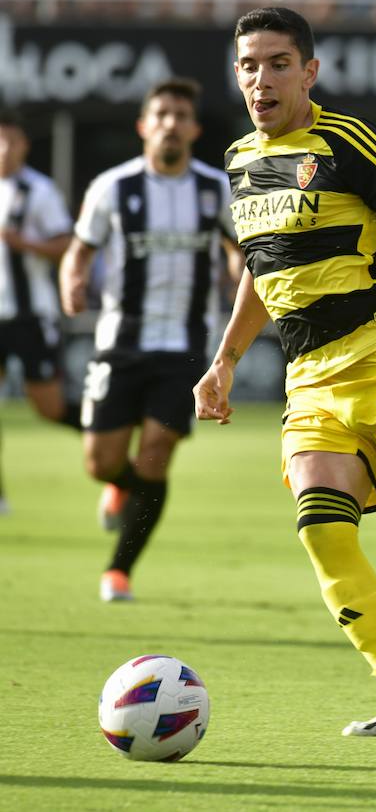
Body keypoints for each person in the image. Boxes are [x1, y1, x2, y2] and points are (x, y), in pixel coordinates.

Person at [191, 6, 376, 740]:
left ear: (310, 71)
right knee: (321, 528)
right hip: (312, 381)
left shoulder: (345, 140)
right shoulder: (237, 161)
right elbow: (263, 274)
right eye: (250, 64)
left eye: (279, 63)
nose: (262, 79)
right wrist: (224, 361)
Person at [58, 77, 240, 600]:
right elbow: (81, 247)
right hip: (121, 342)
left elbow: (239, 248)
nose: (171, 124)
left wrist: (234, 266)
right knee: (102, 462)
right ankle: (118, 487)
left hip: (184, 347)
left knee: (157, 451)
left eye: (181, 116)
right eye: (161, 114)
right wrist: (72, 278)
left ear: (194, 129)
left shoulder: (214, 188)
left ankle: (119, 570)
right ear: (144, 126)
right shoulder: (113, 187)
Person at [0, 107, 81, 516]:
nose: (3, 150)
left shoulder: (39, 191)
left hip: (30, 316)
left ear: (24, 145)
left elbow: (67, 244)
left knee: (47, 407)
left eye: (10, 141)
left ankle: (109, 435)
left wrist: (24, 244)